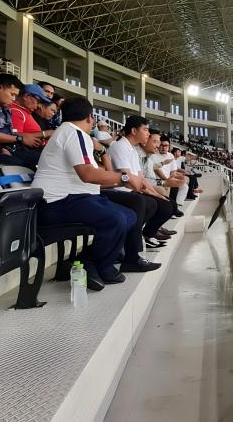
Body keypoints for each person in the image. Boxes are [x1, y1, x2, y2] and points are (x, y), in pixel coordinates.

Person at [32, 97, 160, 290]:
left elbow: (93, 175)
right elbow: (87, 174)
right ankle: (102, 265)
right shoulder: (74, 134)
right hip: (56, 203)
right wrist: (124, 179)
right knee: (116, 219)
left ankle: (87, 260)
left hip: (75, 198)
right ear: (90, 118)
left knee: (129, 215)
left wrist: (121, 177)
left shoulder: (71, 133)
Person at [105, 115, 175, 248]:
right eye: (146, 130)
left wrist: (157, 194)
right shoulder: (119, 146)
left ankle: (142, 236)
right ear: (134, 131)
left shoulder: (132, 150)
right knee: (146, 202)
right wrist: (147, 190)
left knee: (166, 204)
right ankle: (134, 246)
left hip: (130, 189)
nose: (148, 134)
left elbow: (140, 178)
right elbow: (128, 177)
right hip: (119, 190)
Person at [0, 73, 44, 167]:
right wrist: (19, 138)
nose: (13, 99)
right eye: (12, 94)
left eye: (15, 95)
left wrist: (24, 137)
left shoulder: (6, 109)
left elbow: (12, 131)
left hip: (16, 147)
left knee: (46, 159)